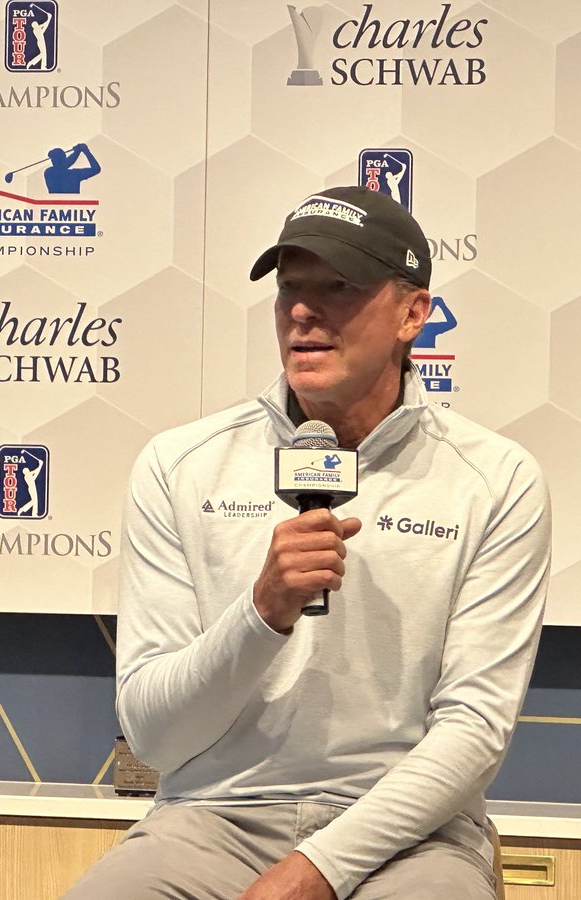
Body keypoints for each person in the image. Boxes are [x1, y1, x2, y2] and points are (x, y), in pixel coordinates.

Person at [64, 186, 550, 899]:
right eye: (290, 287)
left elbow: (472, 732)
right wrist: (262, 612)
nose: (301, 311)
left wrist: (318, 869)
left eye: (339, 287)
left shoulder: (496, 478)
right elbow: (154, 738)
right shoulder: (180, 464)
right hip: (211, 821)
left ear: (413, 312)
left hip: (412, 838)